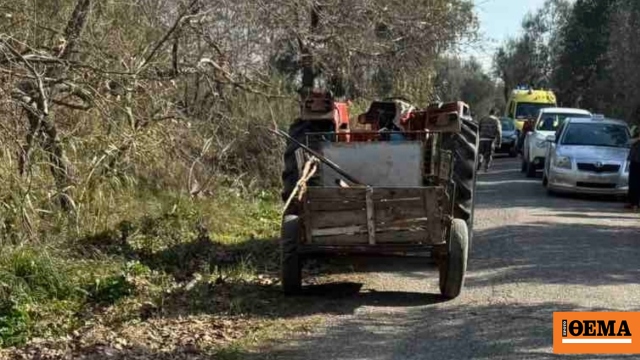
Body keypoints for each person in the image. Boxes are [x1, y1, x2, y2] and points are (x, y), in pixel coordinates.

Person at [625, 126, 640, 211]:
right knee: (633, 183)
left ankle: (636, 203)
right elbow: (628, 142)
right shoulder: (635, 132)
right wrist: (638, 138)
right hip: (635, 161)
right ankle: (632, 203)